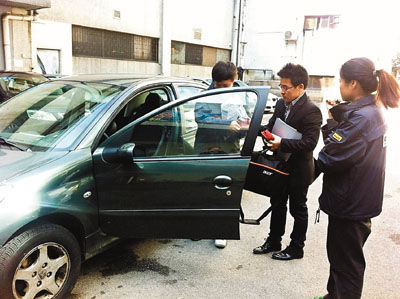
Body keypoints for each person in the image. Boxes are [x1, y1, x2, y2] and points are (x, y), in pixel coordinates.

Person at [315, 57, 400, 299]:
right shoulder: (370, 110)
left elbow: (330, 157)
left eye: (341, 81)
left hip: (350, 204)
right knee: (341, 259)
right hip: (357, 200)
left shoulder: (362, 117)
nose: (339, 86)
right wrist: (334, 119)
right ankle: (333, 295)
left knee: (347, 266)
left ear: (353, 83)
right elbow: (343, 149)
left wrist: (332, 124)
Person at [252, 63, 322, 260]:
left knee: (298, 208)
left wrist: (282, 142)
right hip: (280, 164)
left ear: (300, 87)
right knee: (277, 203)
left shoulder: (312, 110)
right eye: (280, 86)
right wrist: (255, 128)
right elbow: (272, 125)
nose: (282, 91)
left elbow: (310, 143)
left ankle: (296, 247)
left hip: (300, 169)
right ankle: (274, 240)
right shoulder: (281, 104)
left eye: (286, 87)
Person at [194, 61, 249, 248]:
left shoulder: (242, 97)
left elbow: (247, 121)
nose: (221, 89)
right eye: (217, 85)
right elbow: (200, 118)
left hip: (229, 147)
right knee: (202, 189)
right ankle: (199, 227)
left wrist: (242, 127)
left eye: (225, 86)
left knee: (226, 191)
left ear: (234, 81)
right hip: (206, 147)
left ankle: (221, 230)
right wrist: (225, 123)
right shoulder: (204, 95)